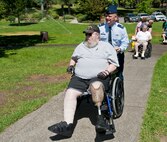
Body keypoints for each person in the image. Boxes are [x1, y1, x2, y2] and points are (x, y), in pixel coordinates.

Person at [48, 25, 119, 137]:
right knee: (70, 93)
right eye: (86, 34)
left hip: (98, 77)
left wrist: (106, 72)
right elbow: (74, 58)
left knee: (96, 87)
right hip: (80, 78)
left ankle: (100, 120)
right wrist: (71, 65)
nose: (87, 36)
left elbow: (114, 64)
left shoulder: (106, 46)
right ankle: (67, 124)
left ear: (97, 35)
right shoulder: (81, 46)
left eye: (90, 34)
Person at [98, 5, 129, 80]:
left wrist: (120, 48)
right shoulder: (100, 28)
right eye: (106, 16)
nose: (107, 18)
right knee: (102, 73)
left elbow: (125, 42)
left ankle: (119, 90)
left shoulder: (121, 28)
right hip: (103, 55)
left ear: (115, 17)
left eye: (110, 16)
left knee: (119, 74)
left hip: (117, 55)